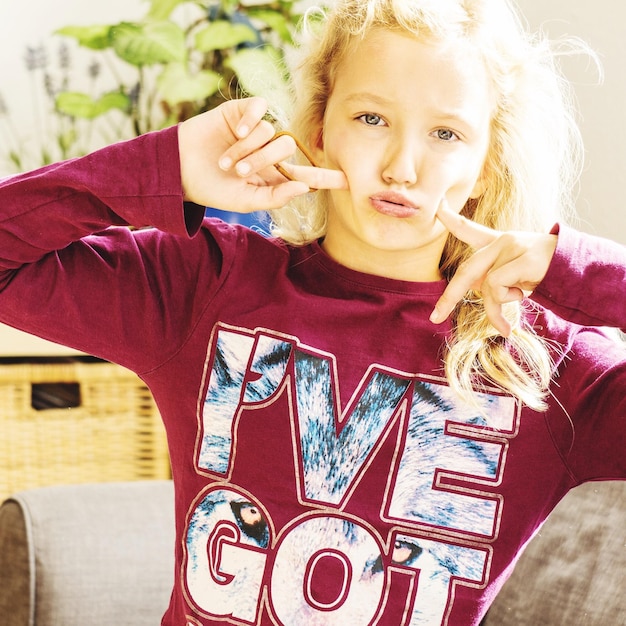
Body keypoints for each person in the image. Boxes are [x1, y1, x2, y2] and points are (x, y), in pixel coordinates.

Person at [0, 0, 624, 624]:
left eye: (446, 133)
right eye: (372, 117)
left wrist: (570, 265)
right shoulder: (209, 285)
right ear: (321, 131)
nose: (400, 168)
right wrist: (166, 168)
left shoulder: (546, 365)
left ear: (487, 165)